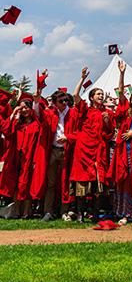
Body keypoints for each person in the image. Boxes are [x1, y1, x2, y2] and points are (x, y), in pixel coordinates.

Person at [68, 68, 114, 223]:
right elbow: (75, 96)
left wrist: (107, 121)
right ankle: (80, 214)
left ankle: (94, 213)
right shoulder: (85, 110)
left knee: (98, 186)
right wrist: (82, 79)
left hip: (99, 152)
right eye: (98, 94)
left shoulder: (106, 113)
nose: (101, 96)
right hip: (84, 150)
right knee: (82, 184)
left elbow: (110, 134)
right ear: (92, 97)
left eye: (102, 94)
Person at [0, 89, 48, 219]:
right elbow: (5, 130)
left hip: (30, 159)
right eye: (22, 108)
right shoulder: (17, 124)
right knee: (15, 185)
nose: (24, 110)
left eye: (26, 107)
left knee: (26, 185)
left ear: (31, 108)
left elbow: (39, 141)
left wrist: (35, 160)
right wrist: (13, 114)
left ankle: (26, 212)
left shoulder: (36, 125)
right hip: (16, 158)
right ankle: (17, 212)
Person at [108, 61, 132, 225]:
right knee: (124, 181)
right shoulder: (125, 113)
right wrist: (121, 74)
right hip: (123, 151)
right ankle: (124, 214)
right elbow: (121, 92)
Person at [40, 88, 75, 222]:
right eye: (61, 101)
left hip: (66, 151)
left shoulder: (73, 113)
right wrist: (38, 97)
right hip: (53, 150)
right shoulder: (50, 114)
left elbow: (80, 131)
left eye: (66, 100)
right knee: (51, 183)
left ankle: (64, 212)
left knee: (65, 182)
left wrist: (68, 137)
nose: (65, 102)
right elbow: (38, 116)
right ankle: (48, 211)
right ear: (55, 103)